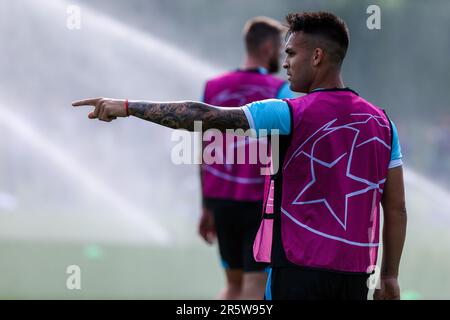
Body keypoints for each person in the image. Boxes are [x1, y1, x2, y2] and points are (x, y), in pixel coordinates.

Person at [73, 11, 407, 300]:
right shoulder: (383, 123)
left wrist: (129, 107)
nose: (286, 63)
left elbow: (202, 117)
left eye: (291, 53)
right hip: (354, 274)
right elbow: (394, 207)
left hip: (296, 269)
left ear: (317, 56)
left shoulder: (288, 112)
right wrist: (389, 275)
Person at [198, 16, 294, 300]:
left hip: (221, 200)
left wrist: (206, 206)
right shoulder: (279, 91)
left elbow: (203, 147)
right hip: (259, 203)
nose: (281, 54)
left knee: (233, 285)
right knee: (255, 286)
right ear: (266, 46)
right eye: (279, 47)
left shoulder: (213, 87)